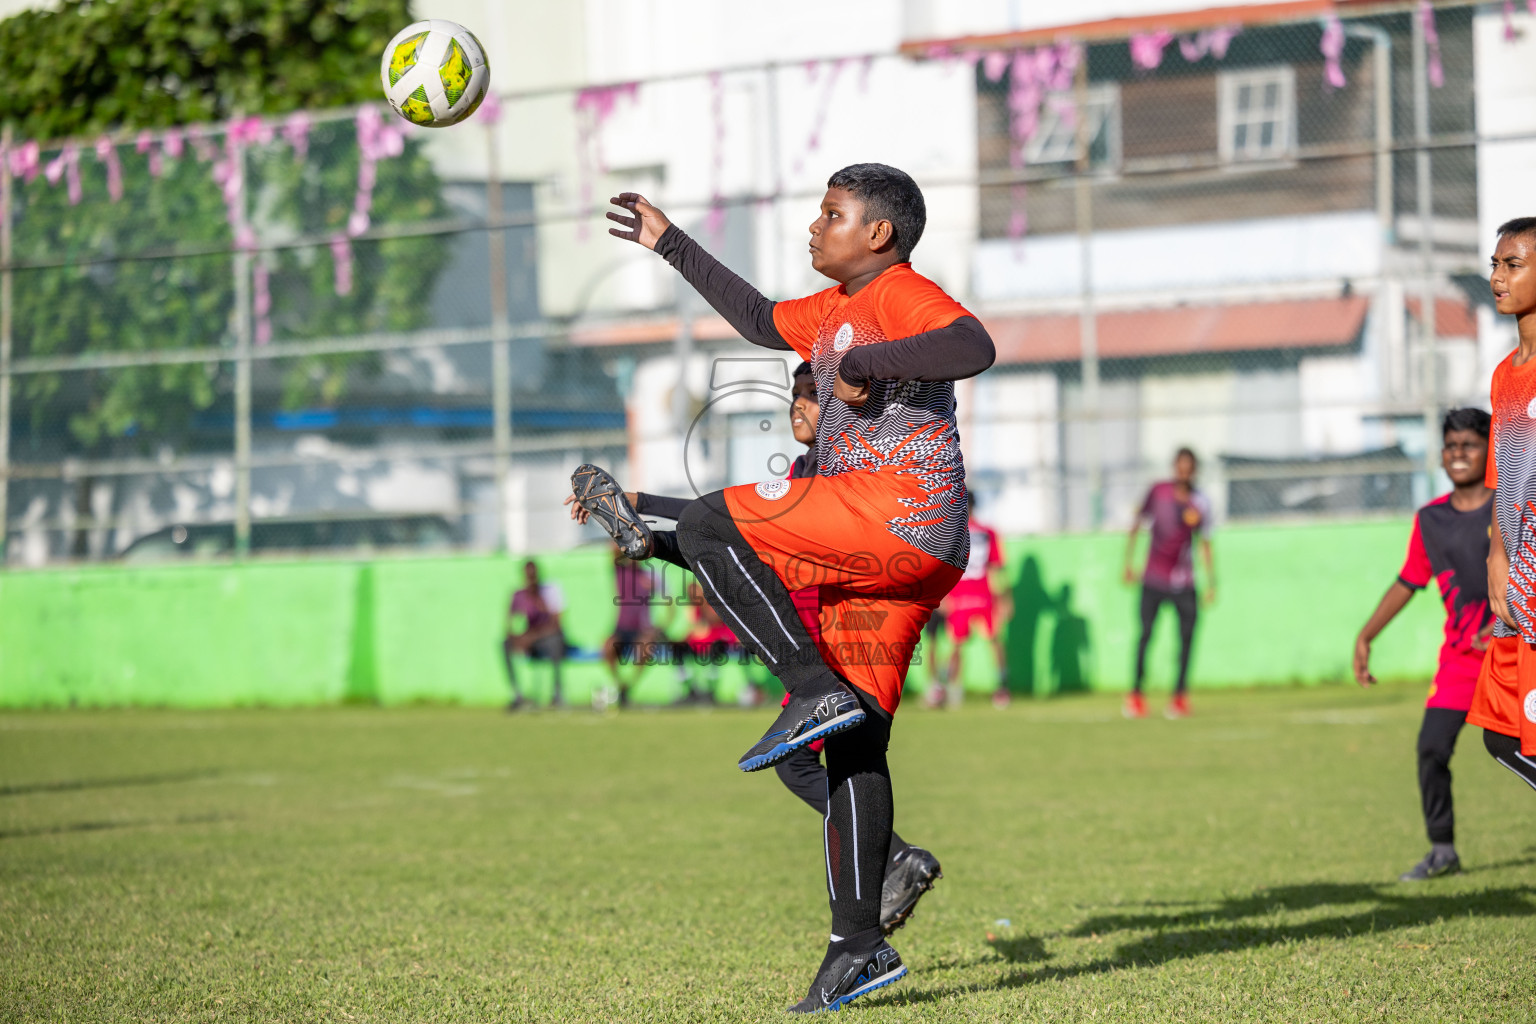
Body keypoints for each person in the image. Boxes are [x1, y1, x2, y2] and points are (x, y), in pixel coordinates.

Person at [571, 164, 993, 1011]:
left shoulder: (898, 293)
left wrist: (871, 357)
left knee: (711, 523)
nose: (815, 226)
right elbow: (763, 319)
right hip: (906, 550)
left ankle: (807, 688)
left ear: (878, 235)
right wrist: (669, 242)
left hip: (898, 514)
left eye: (832, 214)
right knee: (852, 745)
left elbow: (973, 346)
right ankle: (858, 944)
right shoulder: (828, 313)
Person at [567, 360, 944, 934]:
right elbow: (730, 537)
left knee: (826, 759)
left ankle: (881, 883)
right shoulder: (803, 468)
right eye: (794, 394)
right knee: (802, 761)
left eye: (814, 396)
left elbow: (729, 517)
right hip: (820, 637)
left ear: (845, 409)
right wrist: (642, 529)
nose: (799, 405)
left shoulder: (839, 472)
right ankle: (893, 864)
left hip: (848, 641)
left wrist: (642, 497)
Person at [1353, 408, 1495, 881]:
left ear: (1489, 450)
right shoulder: (1430, 519)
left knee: (1520, 750)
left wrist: (1507, 623)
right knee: (1431, 748)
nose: (1458, 453)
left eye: (1469, 444)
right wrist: (1366, 635)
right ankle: (1442, 850)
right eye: (1451, 445)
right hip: (1459, 662)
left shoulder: (1510, 508)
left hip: (1511, 656)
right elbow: (1408, 581)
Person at [1469, 216, 1536, 797]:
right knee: (1501, 731)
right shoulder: (1503, 376)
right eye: (1495, 264)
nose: (1498, 276)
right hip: (1516, 576)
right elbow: (1501, 477)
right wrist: (1496, 554)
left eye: (1513, 264)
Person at [1123, 448, 1215, 719]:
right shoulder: (1157, 492)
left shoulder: (1201, 502)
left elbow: (1205, 542)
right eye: (1180, 467)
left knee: (1186, 639)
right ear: (1174, 468)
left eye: (1189, 469)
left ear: (1194, 471)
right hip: (1153, 578)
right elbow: (1137, 523)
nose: (1183, 473)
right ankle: (1136, 693)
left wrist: (1211, 582)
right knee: (1146, 635)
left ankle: (1179, 696)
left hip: (1185, 582)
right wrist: (1129, 563)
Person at [926, 492, 1011, 710]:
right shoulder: (987, 532)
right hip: (982, 594)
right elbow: (995, 568)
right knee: (994, 642)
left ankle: (946, 690)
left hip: (959, 595)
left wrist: (942, 595)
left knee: (956, 645)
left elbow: (943, 568)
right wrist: (1004, 598)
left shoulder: (952, 532)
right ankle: (1001, 690)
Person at [605, 549, 667, 710]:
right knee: (607, 647)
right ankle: (620, 683)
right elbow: (612, 551)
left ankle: (630, 685)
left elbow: (670, 606)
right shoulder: (620, 572)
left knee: (646, 647)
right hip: (621, 628)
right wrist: (627, 538)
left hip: (640, 629)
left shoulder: (649, 578)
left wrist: (658, 627)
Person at [503, 559, 566, 710]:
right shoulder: (519, 595)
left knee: (556, 641)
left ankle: (556, 695)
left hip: (545, 639)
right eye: (528, 576)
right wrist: (518, 638)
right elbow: (510, 624)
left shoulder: (549, 592)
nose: (531, 580)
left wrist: (532, 637)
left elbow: (556, 624)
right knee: (505, 644)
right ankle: (517, 694)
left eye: (534, 576)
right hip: (528, 640)